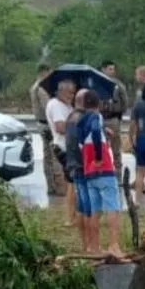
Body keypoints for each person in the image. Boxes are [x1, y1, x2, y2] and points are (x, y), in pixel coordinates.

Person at [77, 89, 123, 257]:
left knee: (95, 210)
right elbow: (95, 130)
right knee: (112, 207)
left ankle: (95, 248)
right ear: (99, 104)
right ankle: (113, 245)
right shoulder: (96, 118)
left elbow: (85, 140)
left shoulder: (80, 122)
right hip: (103, 169)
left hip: (89, 172)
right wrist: (98, 155)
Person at [46, 79, 77, 225]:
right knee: (72, 182)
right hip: (63, 147)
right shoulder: (56, 105)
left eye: (73, 93)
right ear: (60, 90)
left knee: (72, 181)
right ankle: (69, 217)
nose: (71, 96)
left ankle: (73, 214)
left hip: (70, 146)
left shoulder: (67, 105)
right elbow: (60, 127)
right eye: (69, 92)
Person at [64, 89, 92, 251]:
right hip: (85, 167)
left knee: (81, 207)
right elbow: (86, 146)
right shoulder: (83, 119)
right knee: (88, 208)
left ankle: (85, 244)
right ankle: (89, 245)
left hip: (74, 166)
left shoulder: (70, 117)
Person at [29, 63, 59, 195]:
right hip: (46, 124)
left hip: (41, 123)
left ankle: (51, 185)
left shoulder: (34, 86)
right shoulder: (41, 88)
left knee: (48, 156)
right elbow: (49, 107)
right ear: (43, 72)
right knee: (53, 156)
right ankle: (55, 185)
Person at [100, 60, 129, 181]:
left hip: (113, 119)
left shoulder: (118, 85)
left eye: (113, 69)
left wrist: (119, 113)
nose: (112, 71)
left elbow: (125, 102)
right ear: (103, 69)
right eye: (110, 69)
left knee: (116, 149)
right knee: (101, 148)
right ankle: (103, 173)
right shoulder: (97, 83)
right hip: (100, 119)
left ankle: (118, 176)